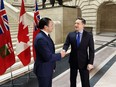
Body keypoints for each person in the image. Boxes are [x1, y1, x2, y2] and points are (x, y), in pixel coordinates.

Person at [62, 17, 95, 87]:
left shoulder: (89, 35)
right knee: (72, 80)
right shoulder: (70, 34)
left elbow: (91, 50)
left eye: (78, 23)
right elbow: (66, 44)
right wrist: (64, 49)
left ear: (83, 25)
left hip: (84, 62)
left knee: (85, 81)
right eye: (75, 23)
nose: (75, 25)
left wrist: (90, 62)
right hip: (73, 61)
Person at [33, 17, 65, 87]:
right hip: (43, 70)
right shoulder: (41, 39)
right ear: (45, 27)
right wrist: (60, 55)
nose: (53, 27)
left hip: (47, 68)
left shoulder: (45, 36)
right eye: (51, 25)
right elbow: (48, 57)